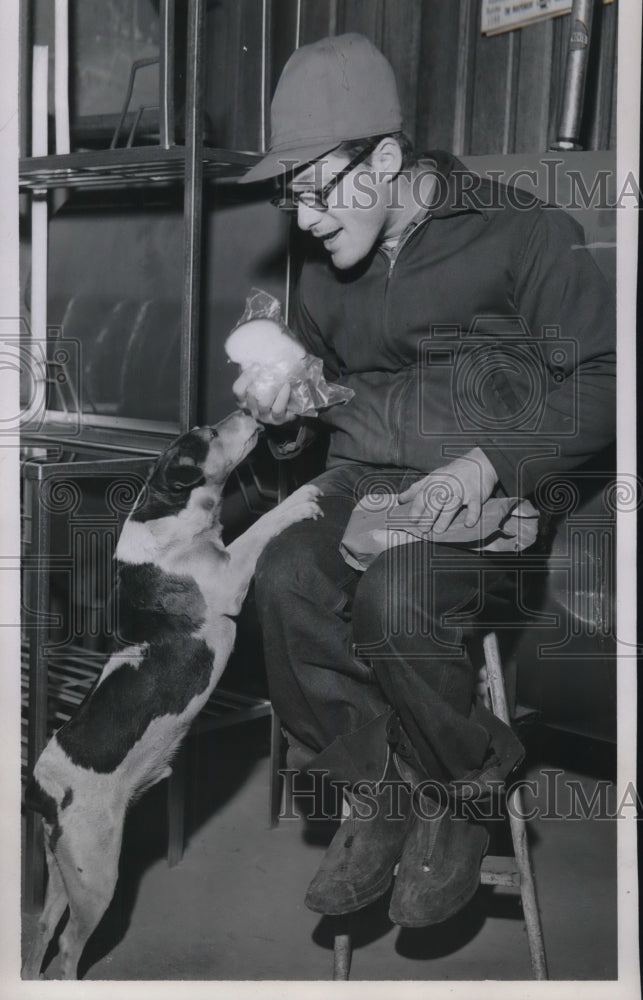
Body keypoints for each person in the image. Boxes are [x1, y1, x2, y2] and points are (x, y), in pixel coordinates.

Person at [236, 33, 615, 926]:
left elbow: (606, 378)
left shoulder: (525, 235)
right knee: (283, 577)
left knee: (396, 602)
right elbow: (321, 407)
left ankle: (460, 791)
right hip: (361, 483)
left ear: (389, 159)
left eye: (314, 188)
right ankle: (381, 789)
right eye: (287, 193)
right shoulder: (325, 270)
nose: (301, 217)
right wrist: (289, 418)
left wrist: (489, 462)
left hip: (486, 497)